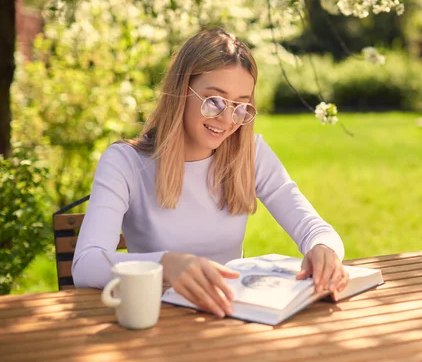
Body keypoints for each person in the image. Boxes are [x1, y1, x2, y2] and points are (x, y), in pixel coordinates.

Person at [72, 27, 348, 318]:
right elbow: (86, 264)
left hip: (230, 317)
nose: (228, 120)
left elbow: (315, 228)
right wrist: (167, 265)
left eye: (241, 105)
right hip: (160, 320)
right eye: (214, 100)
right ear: (181, 92)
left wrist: (323, 249)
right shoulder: (125, 163)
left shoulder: (249, 153)